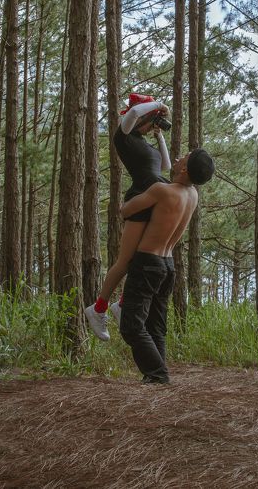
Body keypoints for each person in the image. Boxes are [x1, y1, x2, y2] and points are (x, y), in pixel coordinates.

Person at [118, 148, 215, 383]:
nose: (178, 157)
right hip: (168, 266)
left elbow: (125, 210)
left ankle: (157, 374)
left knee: (131, 326)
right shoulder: (192, 195)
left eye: (184, 157)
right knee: (156, 327)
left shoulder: (162, 191)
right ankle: (156, 377)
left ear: (185, 169)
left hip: (147, 263)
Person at [83, 94, 171, 341]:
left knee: (143, 258)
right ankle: (98, 308)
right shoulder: (123, 136)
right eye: (151, 118)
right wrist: (159, 105)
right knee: (125, 260)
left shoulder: (145, 143)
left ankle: (121, 305)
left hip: (156, 198)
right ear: (143, 114)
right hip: (141, 196)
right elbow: (132, 114)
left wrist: (159, 134)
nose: (152, 123)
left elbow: (165, 165)